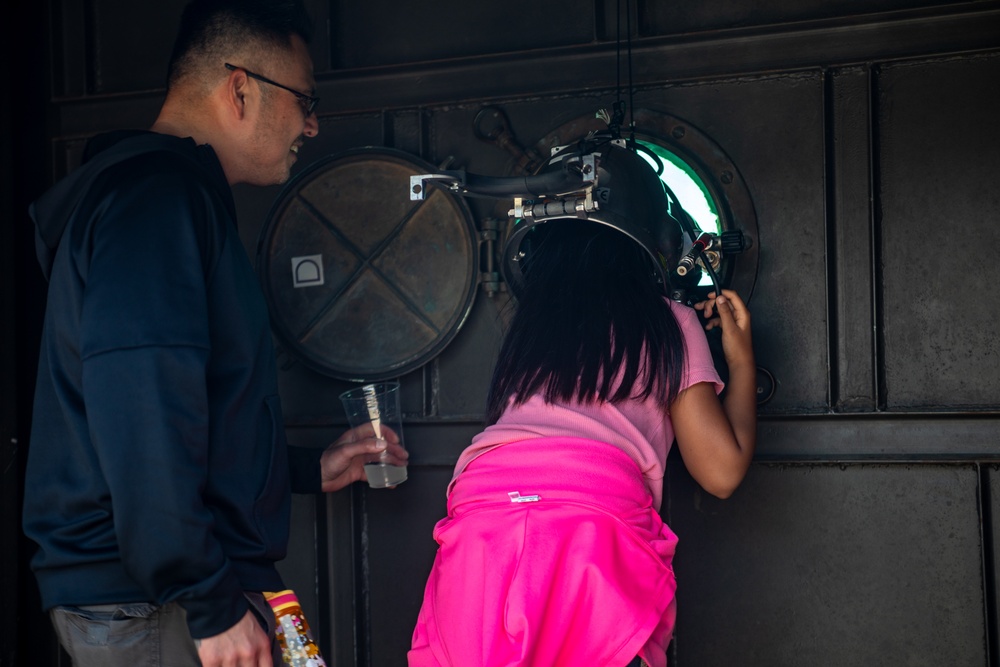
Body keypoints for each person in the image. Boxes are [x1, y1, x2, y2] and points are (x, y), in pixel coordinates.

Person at [22, 1, 406, 665]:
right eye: (304, 99)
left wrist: (303, 469)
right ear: (240, 89)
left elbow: (183, 415)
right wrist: (207, 599)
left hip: (197, 582)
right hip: (159, 599)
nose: (311, 125)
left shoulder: (173, 199)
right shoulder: (154, 202)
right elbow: (143, 410)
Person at [407, 143, 757, 667]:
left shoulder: (530, 330)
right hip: (589, 522)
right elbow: (722, 472)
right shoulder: (670, 324)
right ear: (651, 244)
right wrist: (743, 360)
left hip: (480, 519)